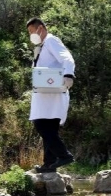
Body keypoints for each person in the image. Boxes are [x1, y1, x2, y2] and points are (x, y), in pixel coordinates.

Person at [27, 17, 75, 173]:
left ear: (40, 28)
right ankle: (49, 164)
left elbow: (67, 58)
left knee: (41, 125)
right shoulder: (42, 45)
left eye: (31, 31)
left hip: (52, 93)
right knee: (49, 129)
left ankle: (64, 155)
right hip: (45, 93)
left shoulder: (52, 41)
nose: (31, 35)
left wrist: (69, 75)